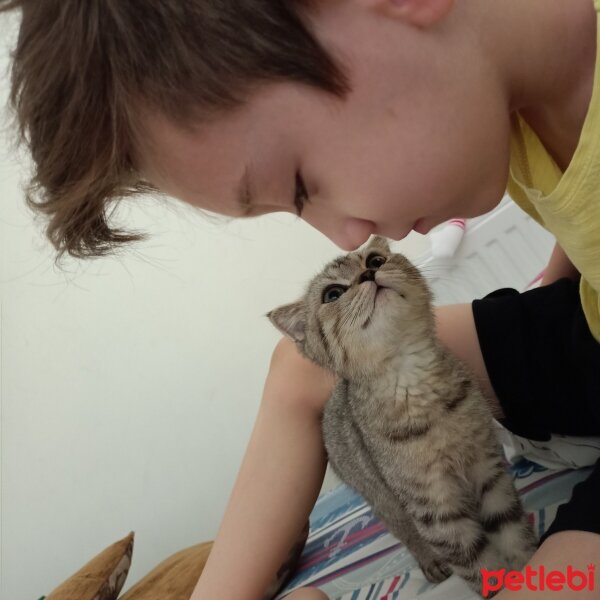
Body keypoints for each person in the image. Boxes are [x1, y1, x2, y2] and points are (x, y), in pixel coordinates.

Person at [1, 1, 599, 598]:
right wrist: (558, 274)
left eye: (299, 184)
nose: (344, 237)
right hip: (584, 323)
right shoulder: (512, 93)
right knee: (301, 366)